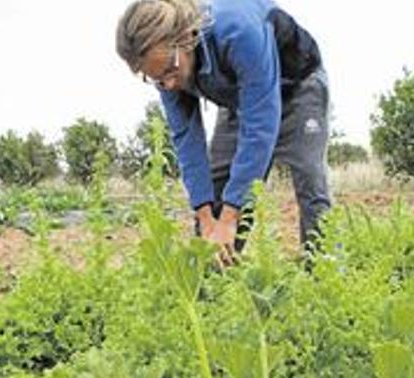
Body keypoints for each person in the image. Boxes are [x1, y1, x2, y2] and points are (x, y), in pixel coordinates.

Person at [116, 0, 331, 265]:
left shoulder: (238, 30)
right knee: (218, 192)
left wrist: (231, 217)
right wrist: (206, 216)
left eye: (170, 71)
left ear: (186, 38)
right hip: (241, 98)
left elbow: (260, 126)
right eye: (156, 78)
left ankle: (324, 273)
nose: (168, 84)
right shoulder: (165, 69)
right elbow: (187, 139)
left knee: (308, 177)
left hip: (297, 86)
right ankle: (213, 283)